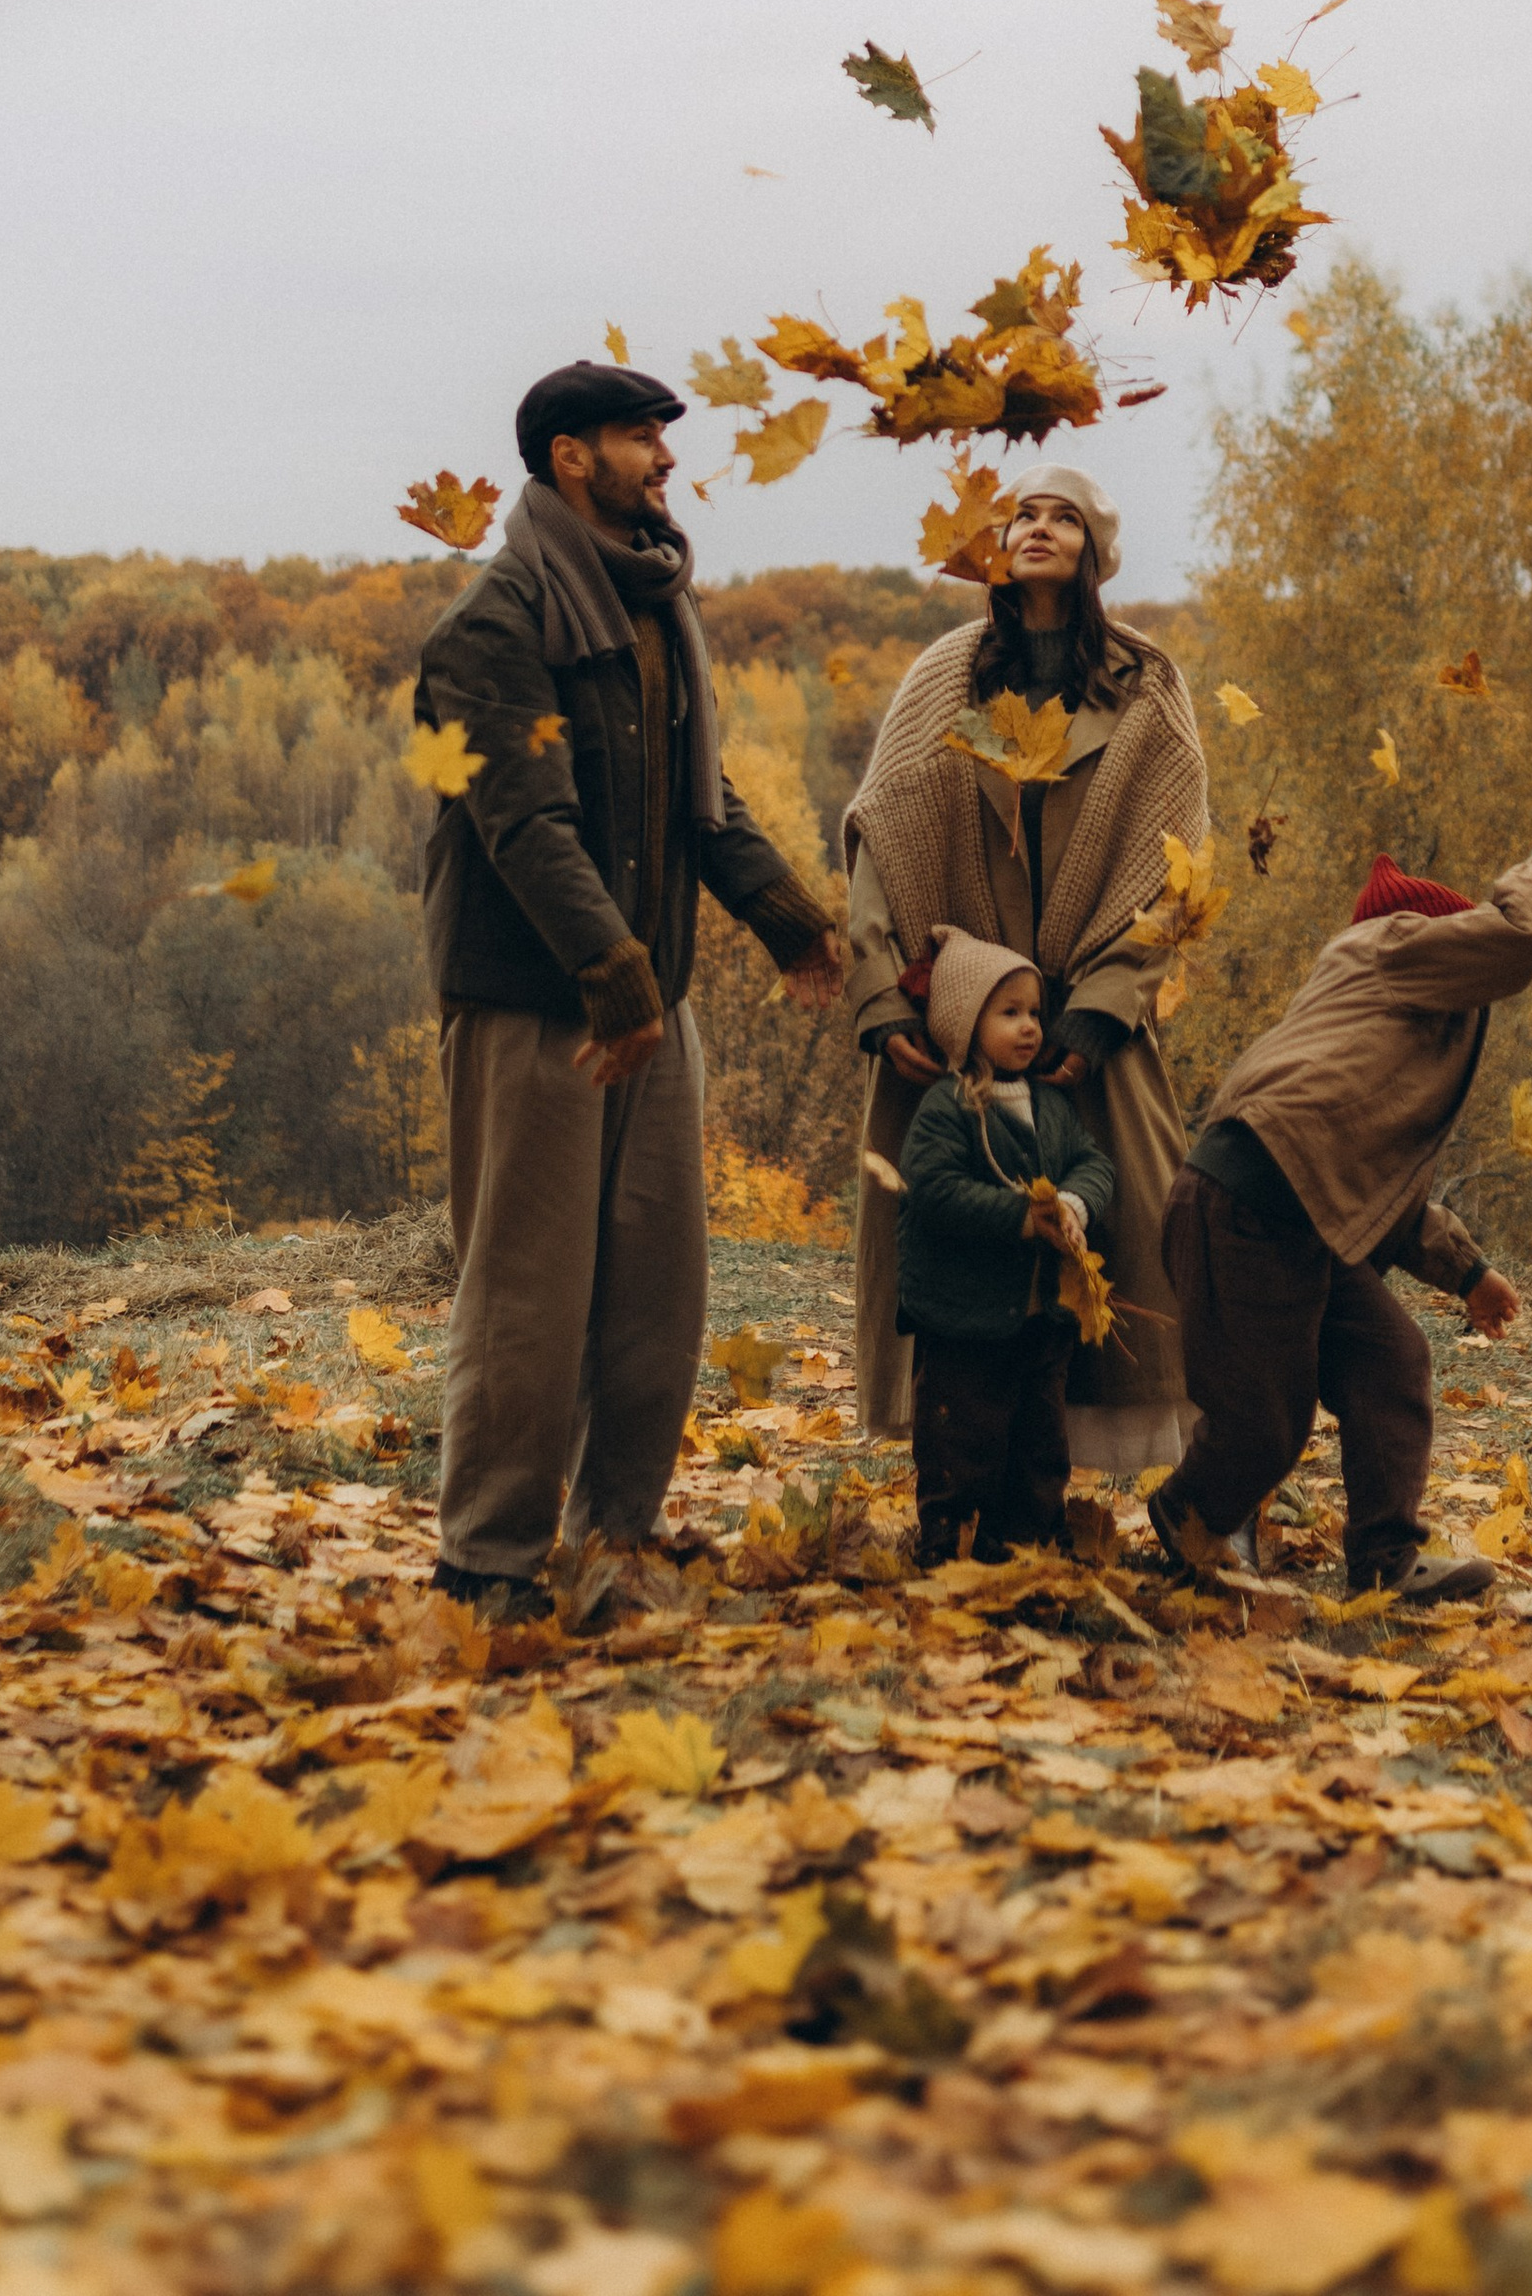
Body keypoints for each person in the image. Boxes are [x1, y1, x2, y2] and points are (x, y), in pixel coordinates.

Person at [414, 359, 844, 1607]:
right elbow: (527, 825)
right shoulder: (495, 624)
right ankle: (487, 1563)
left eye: (662, 435)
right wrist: (614, 978)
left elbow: (700, 795)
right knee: (529, 1296)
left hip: (649, 1004)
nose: (664, 458)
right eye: (640, 436)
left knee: (657, 1291)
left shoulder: (653, 603)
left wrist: (783, 916)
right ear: (570, 458)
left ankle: (614, 1541)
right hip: (536, 1005)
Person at [1148, 756, 1532, 1605]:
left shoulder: (1363, 1023)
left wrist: (1466, 1269)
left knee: (1391, 1362)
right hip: (1247, 1208)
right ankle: (1189, 1518)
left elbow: (1356, 1178)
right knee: (1265, 1424)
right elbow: (1527, 935)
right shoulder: (1389, 945)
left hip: (1297, 1212)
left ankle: (1385, 1561)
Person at [847, 466, 1204, 1476]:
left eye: (1063, 517)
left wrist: (1104, 1007)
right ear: (995, 547)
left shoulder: (1145, 683)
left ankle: (1093, 1477)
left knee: (1129, 1231)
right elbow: (883, 833)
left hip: (1090, 1016)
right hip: (956, 1007)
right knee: (954, 1240)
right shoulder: (944, 675)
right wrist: (882, 1000)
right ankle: (965, 1484)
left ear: (1096, 548)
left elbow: (1177, 862)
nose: (1039, 529)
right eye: (1021, 517)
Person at [893, 928, 1117, 1564]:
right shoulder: (948, 1107)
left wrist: (1073, 1203)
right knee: (961, 1434)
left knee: (1041, 1438)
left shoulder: (1052, 1106)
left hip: (1042, 1317)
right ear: (965, 1024)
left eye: (1035, 1013)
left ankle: (1028, 1540)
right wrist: (1019, 1217)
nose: (1029, 1028)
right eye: (1009, 1012)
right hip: (963, 1314)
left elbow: (1093, 1163)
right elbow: (934, 1190)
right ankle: (950, 1541)